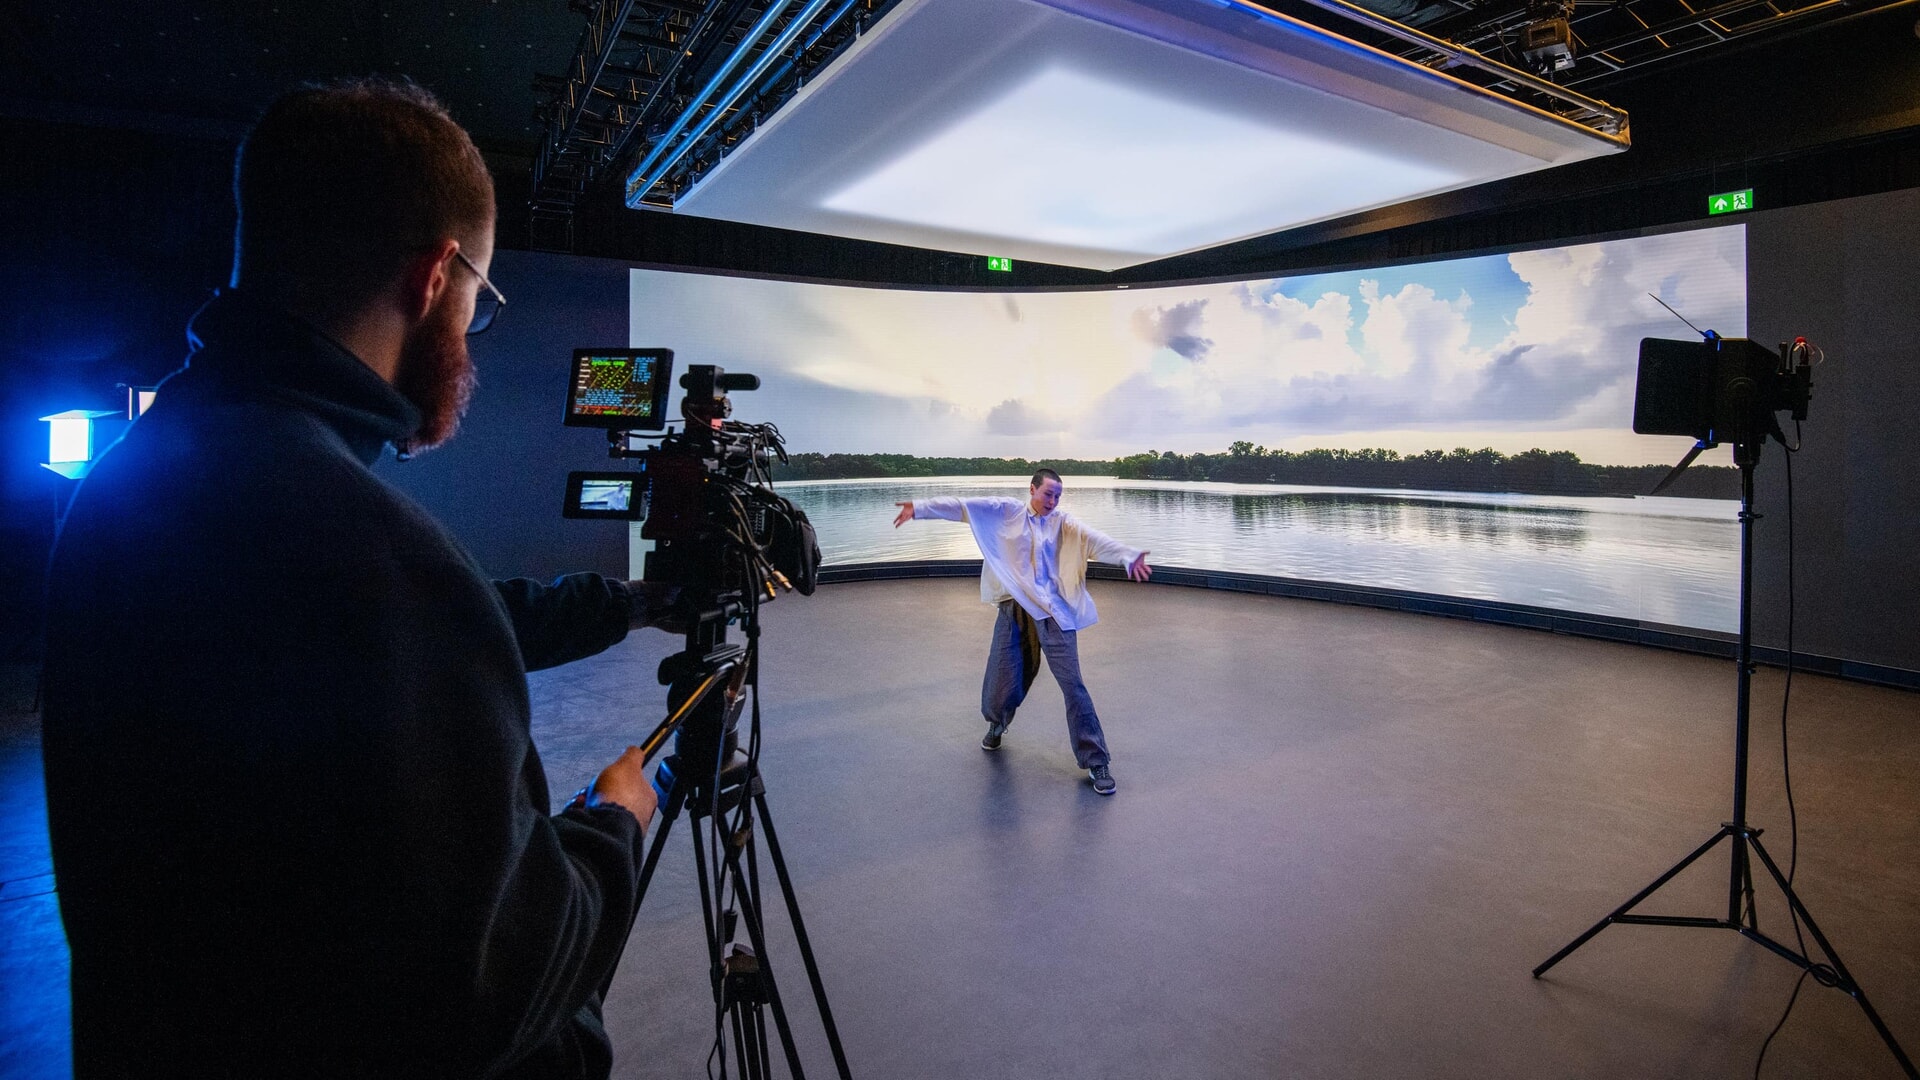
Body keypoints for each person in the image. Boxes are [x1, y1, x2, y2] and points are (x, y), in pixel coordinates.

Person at [41, 79, 674, 1078]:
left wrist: (629, 605)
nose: (470, 330)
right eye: (482, 302)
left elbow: (408, 633)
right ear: (434, 278)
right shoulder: (356, 545)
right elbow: (489, 988)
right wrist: (614, 826)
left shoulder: (147, 480)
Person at [891, 469, 1151, 795]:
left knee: (1073, 686)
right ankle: (997, 725)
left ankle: (1096, 760)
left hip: (1055, 613)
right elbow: (964, 507)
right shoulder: (1006, 511)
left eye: (1057, 496)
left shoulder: (1063, 523)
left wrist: (1128, 556)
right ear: (1032, 489)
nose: (1052, 501)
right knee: (1002, 675)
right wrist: (919, 508)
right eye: (1047, 494)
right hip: (1014, 609)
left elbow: (1095, 540)